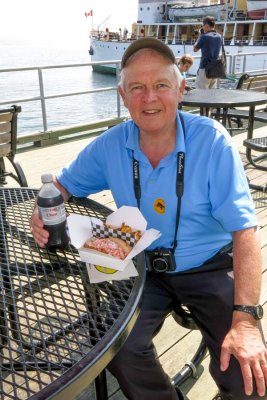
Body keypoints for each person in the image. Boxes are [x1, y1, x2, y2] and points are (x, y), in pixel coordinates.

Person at [31, 37, 267, 400]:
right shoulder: (110, 144)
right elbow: (60, 185)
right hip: (140, 260)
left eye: (161, 85)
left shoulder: (212, 142)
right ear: (123, 97)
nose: (150, 98)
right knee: (118, 348)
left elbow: (245, 231)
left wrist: (246, 319)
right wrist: (41, 210)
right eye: (137, 88)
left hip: (210, 264)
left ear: (181, 89)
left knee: (247, 377)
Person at [193, 16, 223, 89]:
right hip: (214, 69)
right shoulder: (219, 36)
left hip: (204, 68)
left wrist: (200, 36)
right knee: (211, 94)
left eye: (203, 26)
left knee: (200, 93)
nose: (202, 27)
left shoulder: (204, 37)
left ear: (206, 25)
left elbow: (195, 49)